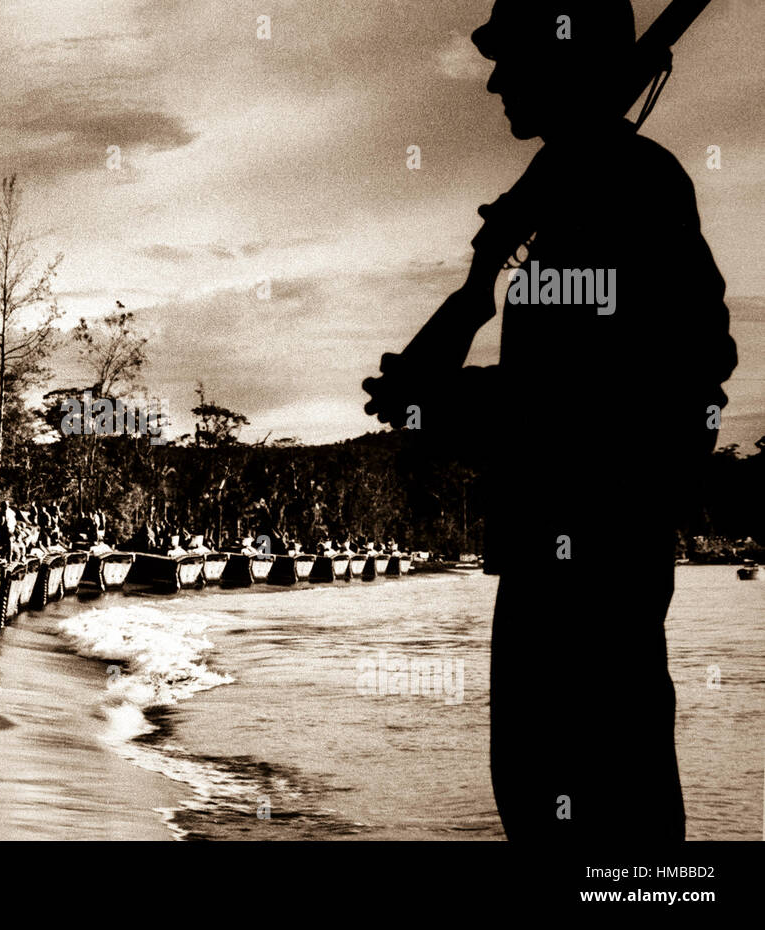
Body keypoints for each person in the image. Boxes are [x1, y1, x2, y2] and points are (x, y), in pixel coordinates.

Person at [363, 0, 737, 841]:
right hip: (555, 552)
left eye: (514, 59)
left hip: (592, 564)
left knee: (606, 822)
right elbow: (574, 382)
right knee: (553, 807)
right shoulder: (577, 191)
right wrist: (462, 335)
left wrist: (450, 403)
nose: (495, 80)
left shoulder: (624, 187)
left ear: (567, 63)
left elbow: (627, 390)